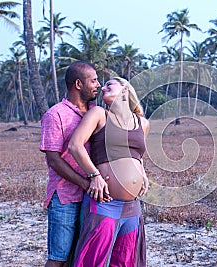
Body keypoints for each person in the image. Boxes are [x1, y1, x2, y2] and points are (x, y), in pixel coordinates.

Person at [68, 77, 149, 267]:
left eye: (109, 85)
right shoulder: (99, 114)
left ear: (125, 90)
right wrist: (94, 175)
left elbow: (137, 155)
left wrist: (142, 174)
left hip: (132, 207)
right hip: (104, 202)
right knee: (92, 261)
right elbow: (75, 145)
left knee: (125, 262)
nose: (102, 88)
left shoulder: (142, 123)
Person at [40, 61, 110, 267]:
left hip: (92, 198)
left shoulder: (96, 112)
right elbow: (53, 160)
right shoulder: (55, 115)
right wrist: (87, 182)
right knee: (58, 258)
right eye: (94, 80)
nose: (99, 85)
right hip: (65, 197)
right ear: (78, 84)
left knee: (81, 257)